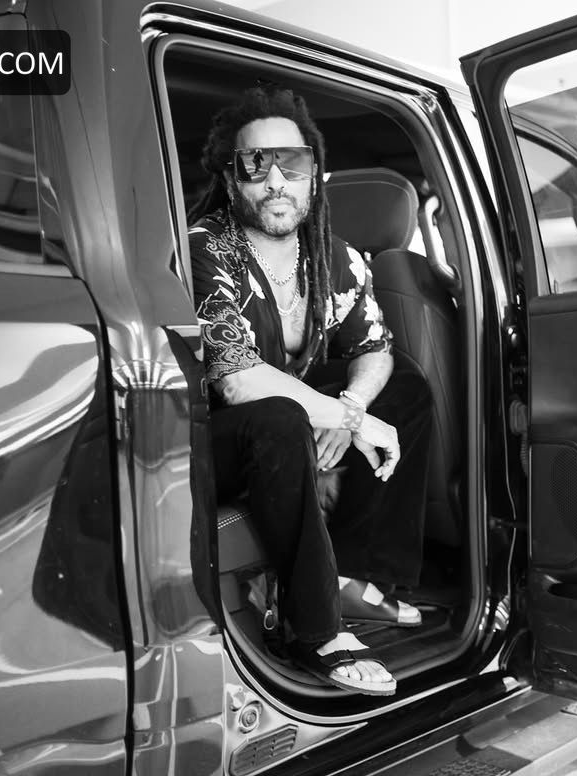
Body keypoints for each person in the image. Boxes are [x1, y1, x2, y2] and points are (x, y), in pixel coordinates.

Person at [188, 86, 432, 696]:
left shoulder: (336, 258)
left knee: (404, 386)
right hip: (206, 436)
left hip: (287, 418)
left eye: (291, 164)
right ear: (231, 178)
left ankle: (354, 574)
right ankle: (316, 629)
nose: (275, 180)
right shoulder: (206, 248)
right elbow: (237, 379)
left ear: (315, 177)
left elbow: (375, 349)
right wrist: (348, 422)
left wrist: (352, 406)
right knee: (277, 416)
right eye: (255, 164)